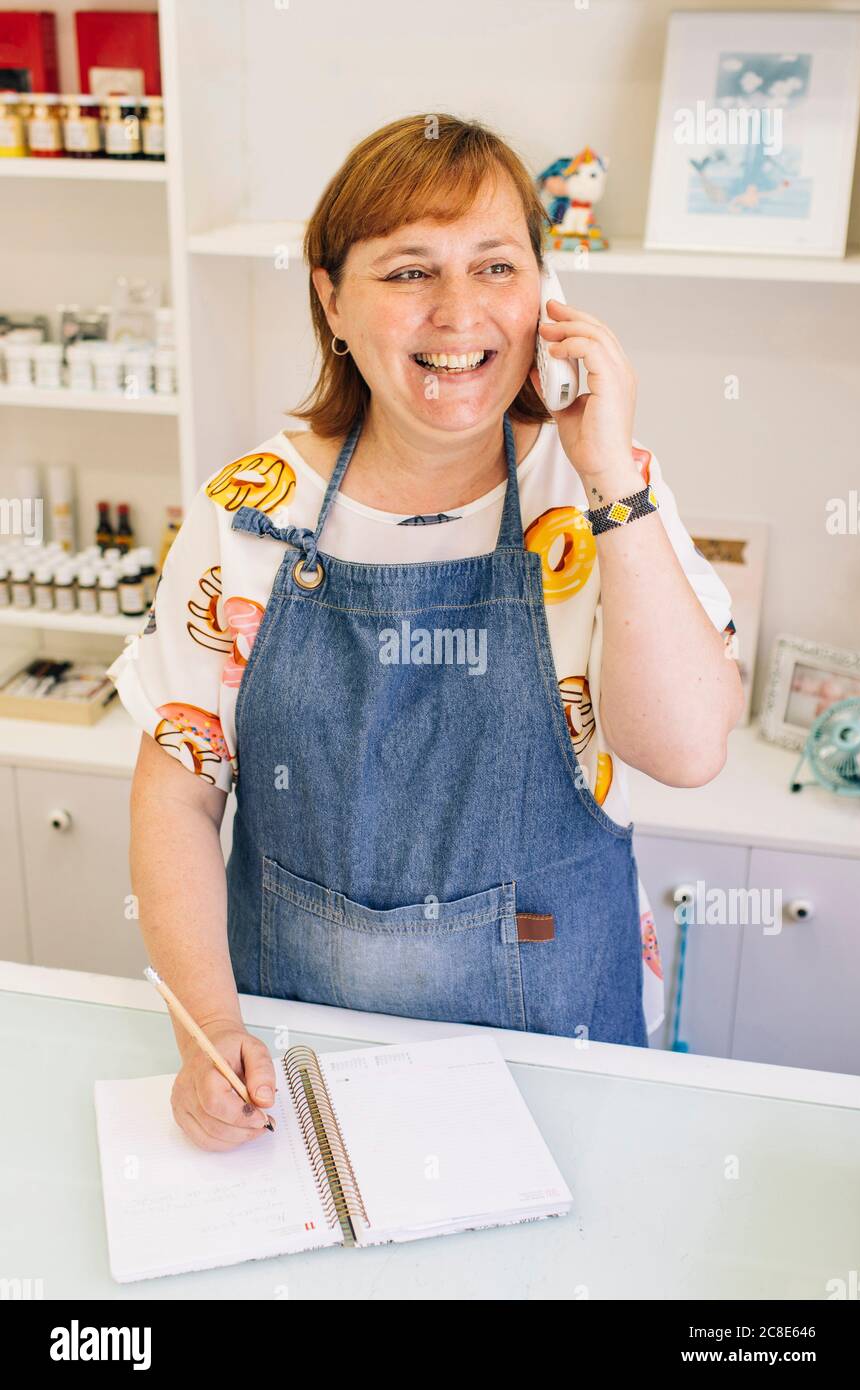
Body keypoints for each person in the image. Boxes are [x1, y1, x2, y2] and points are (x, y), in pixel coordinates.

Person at [108, 114, 743, 1151]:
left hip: (558, 1051)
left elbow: (682, 750)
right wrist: (208, 1029)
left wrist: (611, 473)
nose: (458, 312)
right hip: (298, 1051)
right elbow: (177, 789)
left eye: (495, 265)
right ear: (331, 298)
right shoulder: (247, 509)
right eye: (408, 272)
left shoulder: (597, 492)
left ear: (546, 293)